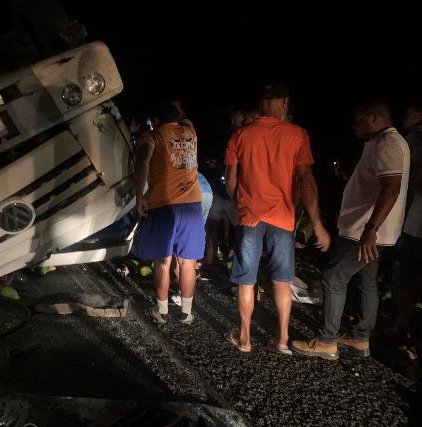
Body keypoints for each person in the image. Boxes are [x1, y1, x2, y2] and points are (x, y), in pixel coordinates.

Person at [292, 99, 410, 360]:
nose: (354, 126)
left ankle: (326, 340)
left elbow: (391, 188)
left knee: (334, 277)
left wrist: (370, 228)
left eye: (357, 120)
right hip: (376, 233)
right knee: (367, 281)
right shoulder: (385, 142)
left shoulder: (386, 143)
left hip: (363, 233)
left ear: (373, 116)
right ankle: (360, 337)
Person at [224, 83, 330, 354]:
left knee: (246, 279)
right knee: (282, 279)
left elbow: (231, 184)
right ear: (284, 103)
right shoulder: (298, 135)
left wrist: (241, 201)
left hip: (249, 216)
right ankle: (282, 339)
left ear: (262, 104)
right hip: (282, 218)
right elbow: (306, 179)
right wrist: (317, 223)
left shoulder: (241, 135)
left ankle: (245, 338)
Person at [134, 102, 205, 324]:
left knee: (162, 262)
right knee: (188, 263)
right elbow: (187, 122)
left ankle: (162, 312)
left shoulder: (152, 136)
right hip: (192, 205)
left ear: (156, 120)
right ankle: (186, 313)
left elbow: (142, 162)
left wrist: (139, 196)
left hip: (163, 205)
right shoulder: (190, 133)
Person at [389, 101, 422, 356]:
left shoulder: (414, 139)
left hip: (414, 223)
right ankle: (401, 328)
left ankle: (403, 331)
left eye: (409, 110)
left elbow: (409, 179)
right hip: (413, 222)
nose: (405, 114)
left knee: (406, 278)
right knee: (406, 278)